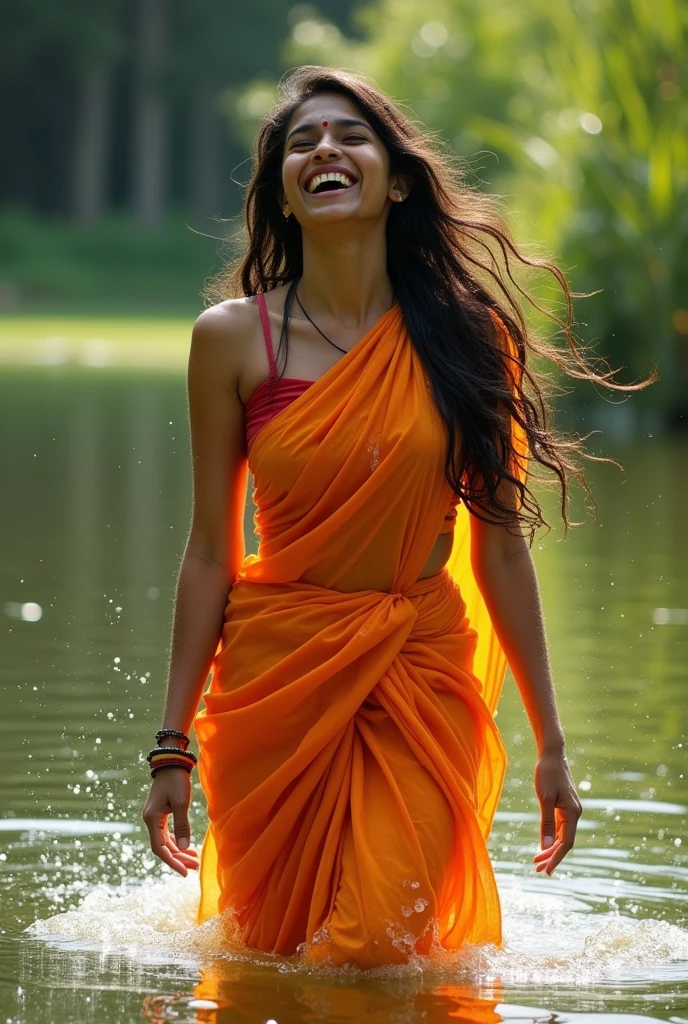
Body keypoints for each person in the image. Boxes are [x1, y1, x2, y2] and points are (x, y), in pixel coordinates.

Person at [141, 67, 652, 968]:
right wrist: (170, 748)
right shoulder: (231, 338)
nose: (325, 151)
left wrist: (552, 747)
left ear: (398, 177)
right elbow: (210, 554)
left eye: (350, 136)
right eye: (302, 143)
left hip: (418, 667)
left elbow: (500, 553)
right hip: (281, 675)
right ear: (284, 197)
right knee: (274, 951)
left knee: (376, 944)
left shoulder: (466, 336)